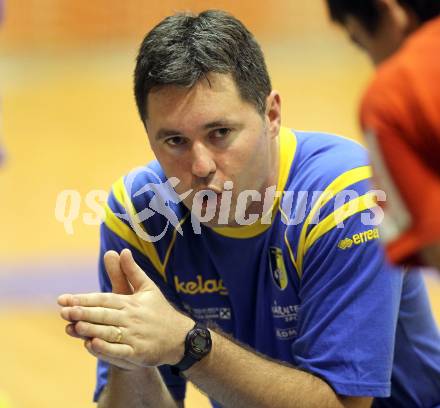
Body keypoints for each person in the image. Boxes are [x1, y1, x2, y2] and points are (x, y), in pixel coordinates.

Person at [58, 10, 440, 408]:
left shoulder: (345, 197)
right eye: (174, 141)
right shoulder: (140, 216)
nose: (201, 166)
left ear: (271, 114)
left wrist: (188, 344)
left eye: (220, 133)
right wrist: (130, 356)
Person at [326, 0, 440, 269]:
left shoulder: (391, 94)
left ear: (389, 11)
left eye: (361, 43)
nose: (374, 63)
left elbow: (433, 244)